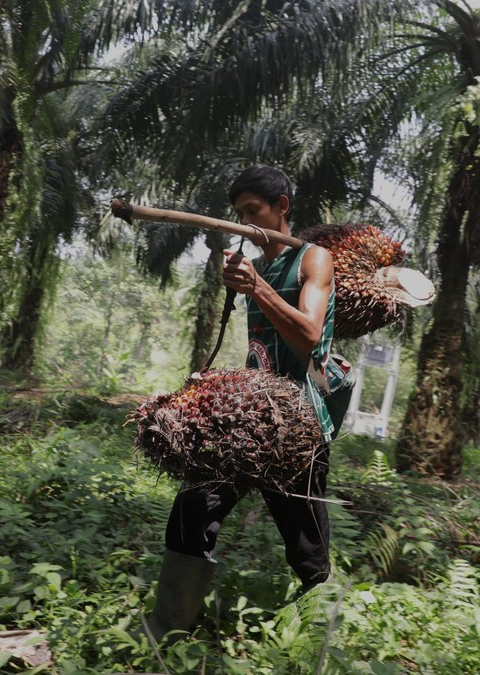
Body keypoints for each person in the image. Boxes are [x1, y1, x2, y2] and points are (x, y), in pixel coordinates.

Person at [138, 165, 337, 644]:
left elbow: (310, 338)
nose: (246, 222)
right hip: (252, 418)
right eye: (240, 214)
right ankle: (169, 627)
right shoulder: (259, 266)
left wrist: (259, 289)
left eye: (254, 212)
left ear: (282, 207)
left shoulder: (315, 259)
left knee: (306, 545)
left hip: (300, 425)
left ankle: (319, 629)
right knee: (193, 504)